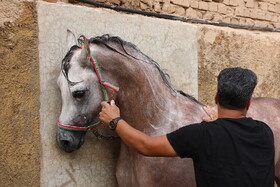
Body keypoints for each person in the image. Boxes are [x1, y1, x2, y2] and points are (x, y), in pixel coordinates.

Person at [99, 67, 275, 187]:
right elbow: (234, 150)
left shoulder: (201, 135)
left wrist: (115, 120)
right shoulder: (265, 132)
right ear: (249, 103)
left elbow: (145, 145)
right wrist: (218, 125)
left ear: (216, 98)